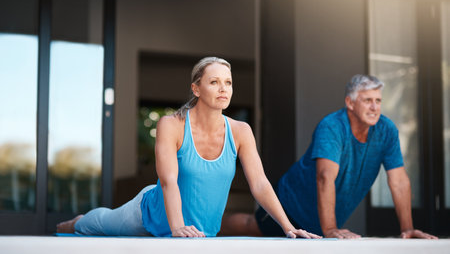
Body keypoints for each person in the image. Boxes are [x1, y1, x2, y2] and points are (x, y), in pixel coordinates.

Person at [56, 57, 321, 239]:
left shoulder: (241, 131)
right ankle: (75, 222)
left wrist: (288, 227)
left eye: (228, 82)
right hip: (151, 214)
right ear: (196, 88)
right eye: (214, 82)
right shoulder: (171, 125)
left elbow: (260, 184)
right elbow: (168, 181)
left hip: (198, 232)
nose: (223, 89)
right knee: (100, 224)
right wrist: (177, 228)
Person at [220, 74, 438, 239]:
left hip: (323, 218)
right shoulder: (332, 127)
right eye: (367, 100)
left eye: (378, 101)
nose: (374, 107)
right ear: (350, 103)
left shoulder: (386, 130)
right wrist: (331, 229)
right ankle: (211, 229)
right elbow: (325, 177)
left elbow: (399, 181)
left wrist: (407, 228)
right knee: (252, 226)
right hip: (292, 203)